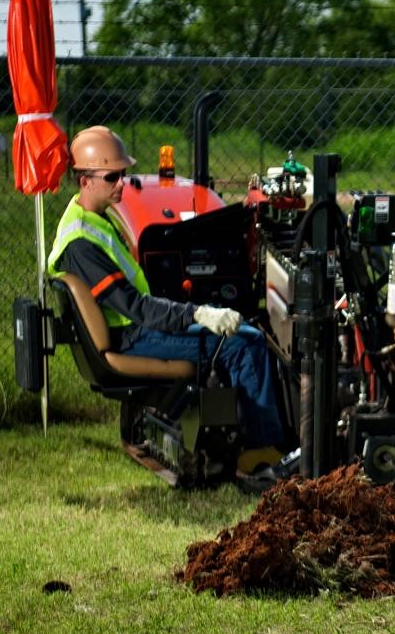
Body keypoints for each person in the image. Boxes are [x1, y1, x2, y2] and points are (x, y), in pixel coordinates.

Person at [47, 125, 286, 478]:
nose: (121, 184)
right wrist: (198, 313)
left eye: (123, 175)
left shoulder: (88, 219)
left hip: (132, 329)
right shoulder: (82, 243)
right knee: (245, 342)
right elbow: (136, 307)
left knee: (240, 332)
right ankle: (264, 456)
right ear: (85, 180)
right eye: (112, 176)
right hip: (133, 336)